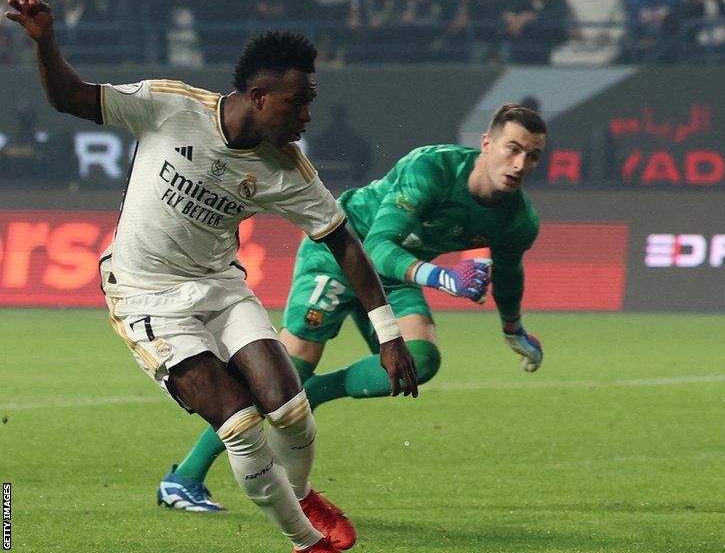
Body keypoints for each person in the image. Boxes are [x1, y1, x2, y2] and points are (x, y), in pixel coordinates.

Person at [4, 0, 418, 553]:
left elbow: (344, 242)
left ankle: (298, 494)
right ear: (258, 95)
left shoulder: (287, 170)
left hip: (220, 288)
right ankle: (306, 543)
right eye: (298, 102)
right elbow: (69, 97)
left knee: (292, 409)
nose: (306, 115)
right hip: (145, 296)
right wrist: (45, 40)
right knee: (243, 426)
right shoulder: (169, 107)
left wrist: (389, 334)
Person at [158, 104, 547, 515]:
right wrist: (443, 278)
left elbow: (508, 274)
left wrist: (512, 328)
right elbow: (377, 247)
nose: (520, 164)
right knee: (286, 367)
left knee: (421, 360)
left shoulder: (519, 218)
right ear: (487, 143)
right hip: (342, 250)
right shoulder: (432, 168)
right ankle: (183, 478)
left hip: (396, 274)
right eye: (513, 148)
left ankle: (314, 394)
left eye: (533, 156)